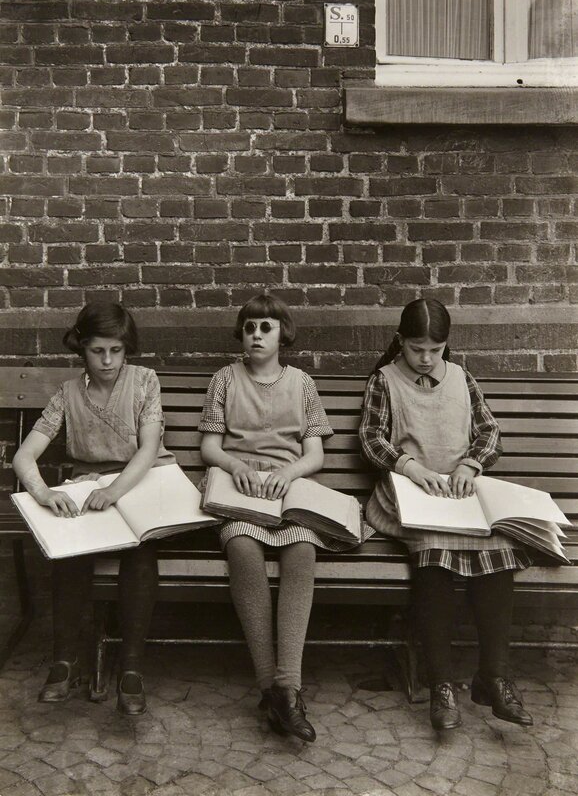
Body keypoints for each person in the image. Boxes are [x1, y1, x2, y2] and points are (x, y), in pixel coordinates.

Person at [199, 293, 369, 743]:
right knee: (242, 549)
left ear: (282, 335)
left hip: (288, 490)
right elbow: (210, 447)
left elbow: (315, 453)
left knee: (301, 551)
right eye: (250, 327)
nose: (256, 335)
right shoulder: (225, 379)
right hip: (241, 491)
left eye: (266, 328)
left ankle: (288, 687)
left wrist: (286, 472)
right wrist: (237, 468)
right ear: (241, 333)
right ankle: (270, 687)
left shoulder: (302, 384)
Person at [359, 298, 534, 732]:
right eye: (417, 349)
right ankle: (441, 684)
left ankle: (492, 677)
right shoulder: (385, 380)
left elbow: (489, 431)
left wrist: (469, 465)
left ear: (445, 347)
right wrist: (410, 467)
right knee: (433, 553)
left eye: (435, 350)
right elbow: (371, 438)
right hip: (406, 494)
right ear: (401, 342)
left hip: (456, 493)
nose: (426, 358)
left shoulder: (461, 378)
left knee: (498, 548)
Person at [13, 303, 175, 715]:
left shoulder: (144, 382)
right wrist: (44, 493)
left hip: (139, 485)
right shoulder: (68, 394)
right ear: (82, 349)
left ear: (127, 351)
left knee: (141, 552)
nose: (107, 361)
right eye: (98, 350)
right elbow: (24, 457)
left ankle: (131, 667)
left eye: (116, 351)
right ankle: (65, 659)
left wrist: (117, 490)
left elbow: (149, 447)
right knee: (69, 553)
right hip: (90, 489)